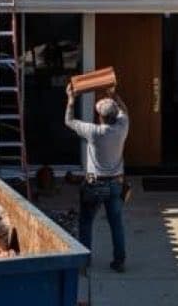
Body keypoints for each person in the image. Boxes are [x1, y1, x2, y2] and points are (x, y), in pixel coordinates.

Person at [65, 82, 129, 272]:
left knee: (86, 222)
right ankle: (119, 261)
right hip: (115, 184)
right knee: (116, 223)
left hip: (94, 185)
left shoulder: (93, 132)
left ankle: (84, 262)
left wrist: (71, 99)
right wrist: (115, 95)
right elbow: (124, 110)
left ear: (99, 116)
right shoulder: (122, 127)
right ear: (115, 115)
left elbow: (68, 121)